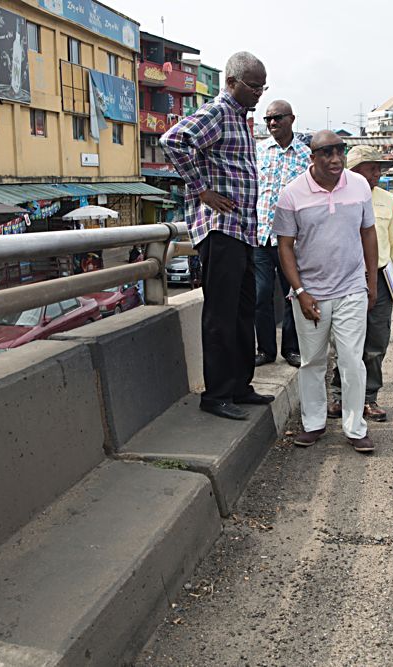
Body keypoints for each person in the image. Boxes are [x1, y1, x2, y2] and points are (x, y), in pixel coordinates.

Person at [161, 51, 274, 420]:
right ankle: (217, 395)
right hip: (220, 229)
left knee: (243, 312)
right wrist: (202, 189)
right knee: (221, 315)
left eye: (263, 87)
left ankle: (240, 386)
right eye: (253, 86)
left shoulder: (241, 119)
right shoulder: (220, 111)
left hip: (241, 231)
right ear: (231, 83)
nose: (259, 93)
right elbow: (174, 140)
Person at [275, 131, 378, 453]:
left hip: (350, 288)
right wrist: (301, 291)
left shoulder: (359, 186)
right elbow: (285, 247)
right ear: (312, 157)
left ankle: (355, 427)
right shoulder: (291, 194)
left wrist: (371, 282)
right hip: (312, 294)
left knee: (351, 360)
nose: (335, 159)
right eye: (326, 153)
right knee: (313, 361)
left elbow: (369, 234)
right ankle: (313, 423)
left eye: (340, 152)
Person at [328, 145, 393, 422]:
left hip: (380, 279)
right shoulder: (335, 196)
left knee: (376, 343)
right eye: (371, 168)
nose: (377, 173)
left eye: (379, 168)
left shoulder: (388, 200)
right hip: (345, 279)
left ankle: (369, 398)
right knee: (345, 342)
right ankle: (340, 396)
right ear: (354, 170)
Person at [254, 99, 311, 369]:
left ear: (291, 119)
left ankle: (291, 348)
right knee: (261, 293)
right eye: (268, 119)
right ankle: (265, 349)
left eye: (277, 118)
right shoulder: (258, 152)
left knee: (293, 294)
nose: (272, 123)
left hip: (291, 239)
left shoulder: (305, 155)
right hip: (261, 236)